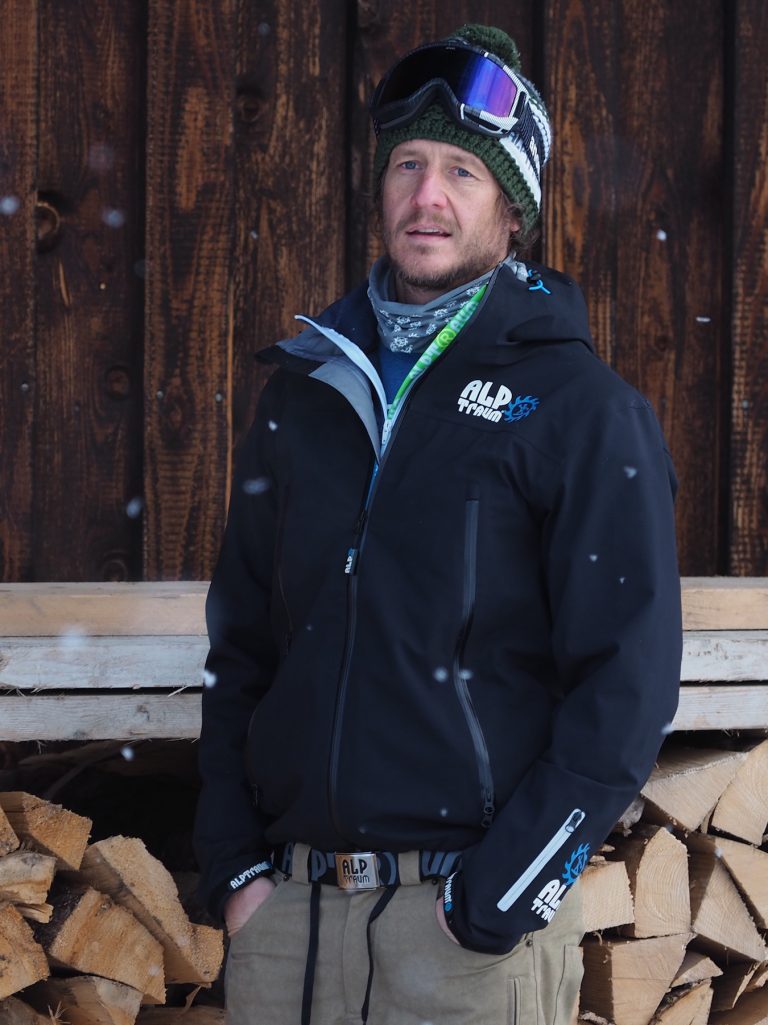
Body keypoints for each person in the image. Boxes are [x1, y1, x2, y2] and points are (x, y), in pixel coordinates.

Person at [194, 23, 683, 1025]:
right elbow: (240, 650)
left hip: (460, 943)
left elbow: (626, 685)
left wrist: (497, 899)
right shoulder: (306, 394)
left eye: (463, 171)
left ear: (512, 210)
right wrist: (237, 869)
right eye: (407, 164)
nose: (428, 195)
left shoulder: (582, 411)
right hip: (289, 930)